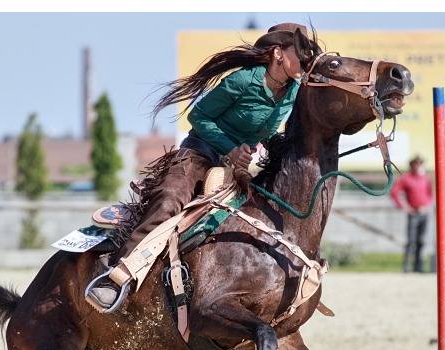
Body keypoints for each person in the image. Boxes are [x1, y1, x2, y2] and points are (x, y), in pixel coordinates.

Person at [86, 22, 318, 311]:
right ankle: (116, 278)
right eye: (300, 53)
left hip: (240, 170)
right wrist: (232, 149)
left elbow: (268, 132)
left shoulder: (294, 91)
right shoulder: (243, 80)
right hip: (199, 155)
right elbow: (199, 116)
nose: (306, 61)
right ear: (277, 53)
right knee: (170, 201)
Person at [390, 155, 433, 273]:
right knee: (411, 241)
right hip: (413, 213)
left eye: (420, 164)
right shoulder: (406, 179)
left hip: (424, 212)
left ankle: (419, 267)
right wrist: (404, 206)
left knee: (421, 241)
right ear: (412, 165)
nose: (419, 166)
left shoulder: (425, 179)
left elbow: (430, 193)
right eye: (416, 164)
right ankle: (407, 266)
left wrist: (428, 204)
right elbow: (394, 192)